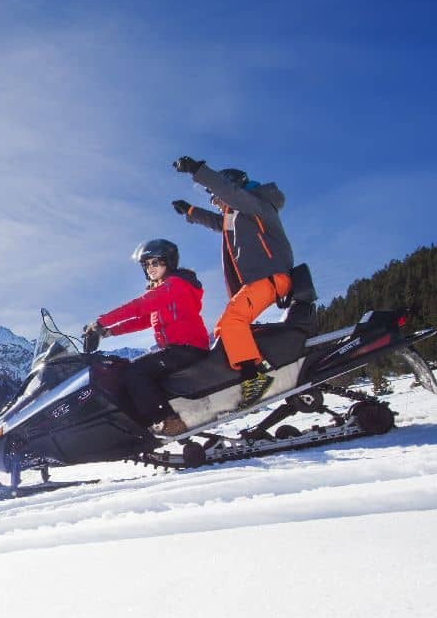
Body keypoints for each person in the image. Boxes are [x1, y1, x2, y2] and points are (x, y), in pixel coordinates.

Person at [171, 156, 294, 407]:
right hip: (258, 280)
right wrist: (191, 211)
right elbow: (218, 223)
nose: (215, 200)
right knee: (223, 329)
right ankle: (252, 369)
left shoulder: (256, 204)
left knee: (233, 320)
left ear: (231, 187)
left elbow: (230, 194)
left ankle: (254, 377)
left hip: (270, 275)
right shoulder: (239, 215)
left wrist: (198, 170)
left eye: (215, 194)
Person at [85, 238, 209, 437]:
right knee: (129, 369)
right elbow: (144, 320)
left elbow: (139, 306)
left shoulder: (175, 285)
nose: (150, 268)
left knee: (134, 372)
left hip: (187, 348)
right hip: (175, 350)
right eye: (147, 264)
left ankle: (169, 420)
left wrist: (101, 322)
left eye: (156, 262)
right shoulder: (164, 288)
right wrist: (109, 332)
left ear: (168, 262)